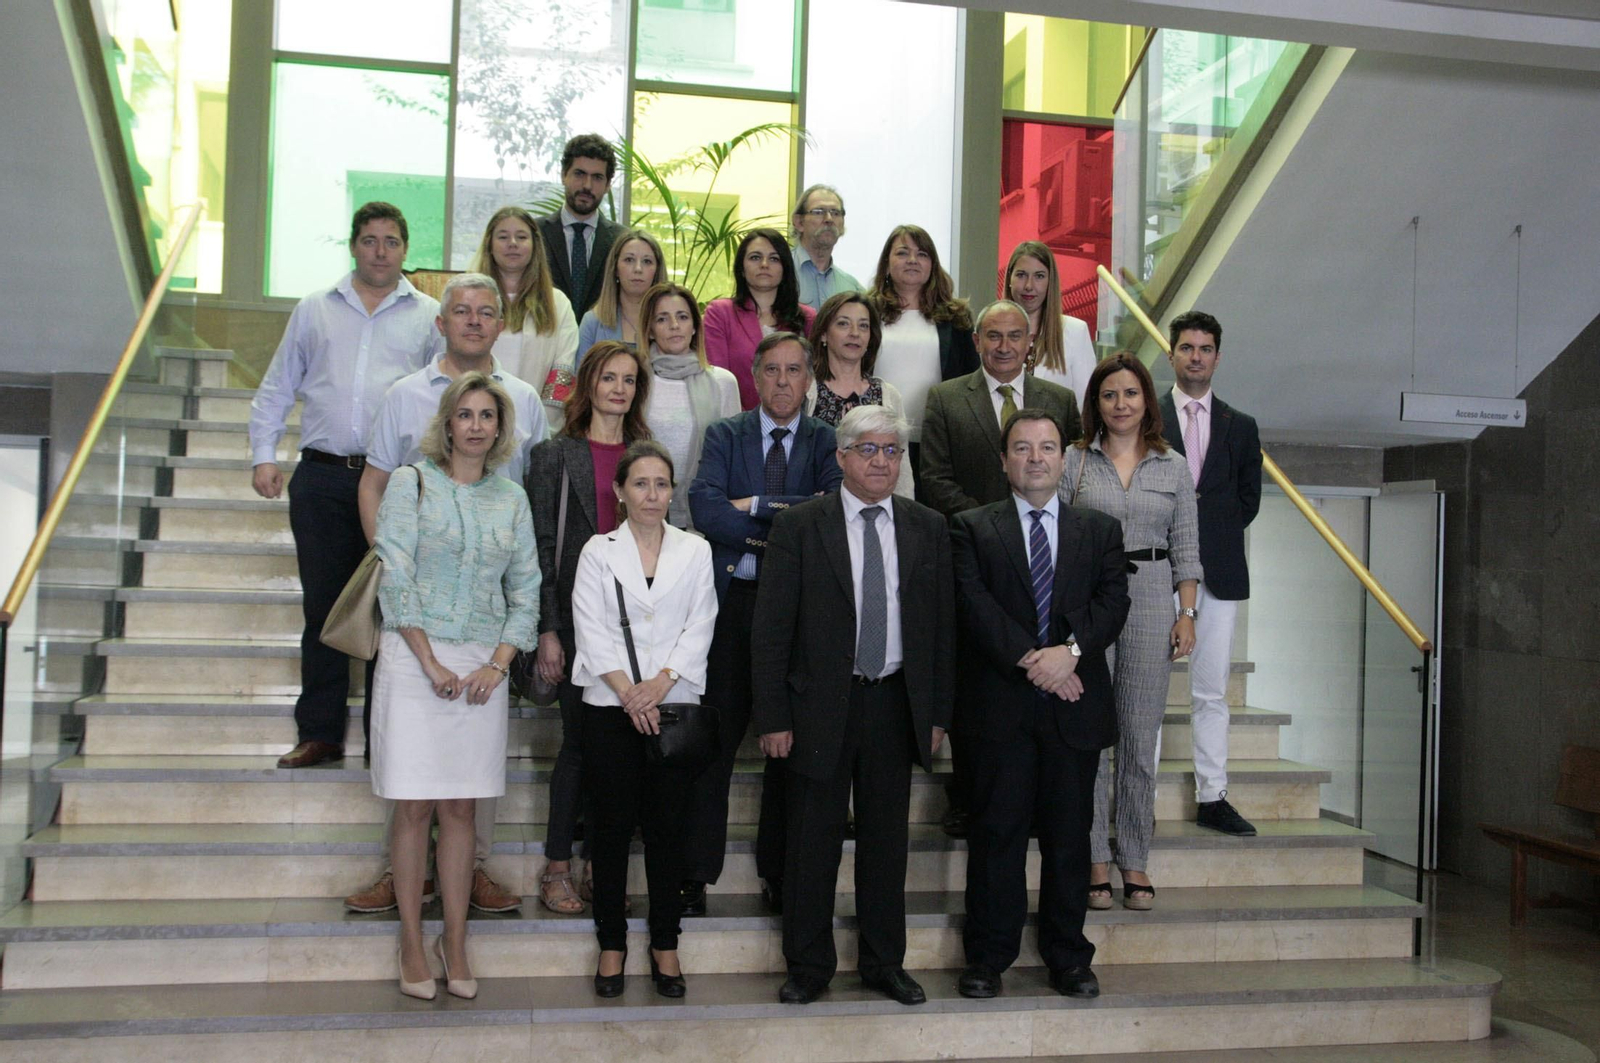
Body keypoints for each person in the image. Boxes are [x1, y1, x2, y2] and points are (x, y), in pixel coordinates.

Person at [344, 273, 547, 917]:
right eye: (461, 310)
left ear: (501, 323)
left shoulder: (523, 400)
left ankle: (474, 868)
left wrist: (506, 643)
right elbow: (375, 485)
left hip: (485, 618)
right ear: (443, 320)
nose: (473, 321)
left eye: (487, 312)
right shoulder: (406, 397)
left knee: (468, 786)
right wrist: (397, 562)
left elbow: (524, 514)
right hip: (419, 616)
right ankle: (400, 874)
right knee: (410, 777)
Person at [752, 405, 955, 1007]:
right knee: (810, 841)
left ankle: (883, 963)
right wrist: (773, 718)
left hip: (893, 704)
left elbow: (941, 628)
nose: (881, 461)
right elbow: (770, 631)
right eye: (868, 449)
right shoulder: (801, 526)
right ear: (840, 457)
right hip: (817, 707)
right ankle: (809, 965)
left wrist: (938, 711)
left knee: (887, 846)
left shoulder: (927, 526)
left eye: (892, 450)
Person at [249, 201, 442, 771]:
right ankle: (321, 734)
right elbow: (278, 387)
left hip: (398, 485)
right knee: (326, 610)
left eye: (391, 241)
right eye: (369, 240)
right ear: (353, 245)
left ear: (405, 250)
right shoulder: (314, 310)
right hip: (323, 477)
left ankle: (387, 735)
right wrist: (265, 456)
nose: (379, 251)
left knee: (396, 606)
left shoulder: (429, 315)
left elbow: (441, 399)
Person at [370, 371, 540, 1000]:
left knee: (463, 807)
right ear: (447, 423)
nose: (475, 425)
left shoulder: (512, 499)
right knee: (414, 804)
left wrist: (496, 665)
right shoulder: (412, 482)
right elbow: (395, 574)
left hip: (481, 668)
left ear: (500, 428)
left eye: (487, 416)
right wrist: (431, 663)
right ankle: (413, 941)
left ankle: (457, 940)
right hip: (414, 657)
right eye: (464, 414)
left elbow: (526, 593)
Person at [951, 409, 1130, 1002]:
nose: (1035, 458)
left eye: (1047, 447)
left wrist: (1070, 652)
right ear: (1003, 462)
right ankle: (987, 958)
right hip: (998, 709)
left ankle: (1069, 956)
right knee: (996, 836)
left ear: (1064, 459)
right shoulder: (972, 527)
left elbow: (1113, 603)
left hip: (1073, 713)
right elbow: (974, 607)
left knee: (1068, 839)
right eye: (1022, 448)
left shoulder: (1099, 530)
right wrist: (1040, 662)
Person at [684, 332, 843, 917]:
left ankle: (783, 873)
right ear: (754, 375)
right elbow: (703, 507)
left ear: (810, 380)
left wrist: (749, 507)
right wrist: (778, 535)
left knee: (789, 751)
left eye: (794, 370)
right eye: (772, 370)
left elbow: (828, 511)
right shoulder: (726, 434)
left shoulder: (829, 440)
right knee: (714, 747)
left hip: (800, 617)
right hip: (733, 607)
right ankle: (696, 874)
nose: (782, 381)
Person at [920, 299, 1081, 837]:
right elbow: (934, 477)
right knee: (978, 684)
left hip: (1046, 562)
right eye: (993, 336)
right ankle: (969, 796)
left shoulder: (1058, 399)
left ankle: (1039, 795)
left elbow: (1071, 469)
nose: (1005, 345)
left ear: (1029, 340)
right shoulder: (945, 398)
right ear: (978, 341)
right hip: (976, 559)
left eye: (1015, 335)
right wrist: (994, 526)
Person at [571, 441, 718, 999]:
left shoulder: (695, 550)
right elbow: (591, 628)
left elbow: (702, 623)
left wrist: (661, 683)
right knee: (609, 831)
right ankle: (611, 942)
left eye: (661, 484)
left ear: (671, 491)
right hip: (610, 709)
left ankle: (665, 943)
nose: (651, 494)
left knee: (667, 830)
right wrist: (630, 692)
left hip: (674, 704)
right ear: (620, 491)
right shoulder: (597, 551)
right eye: (640, 484)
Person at [1069, 353, 1202, 912]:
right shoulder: (1075, 462)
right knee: (1094, 738)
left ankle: (1135, 857)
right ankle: (1095, 857)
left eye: (1130, 394)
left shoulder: (1172, 466)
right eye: (1109, 395)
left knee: (1139, 739)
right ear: (1095, 404)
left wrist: (1187, 612)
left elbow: (1187, 548)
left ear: (1147, 400)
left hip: (1150, 598)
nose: (1120, 404)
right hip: (1092, 602)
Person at [524, 341, 653, 915]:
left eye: (629, 379)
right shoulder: (556, 455)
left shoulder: (646, 456)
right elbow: (540, 552)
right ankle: (556, 868)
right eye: (608, 377)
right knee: (578, 748)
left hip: (634, 627)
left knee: (623, 753)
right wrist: (547, 630)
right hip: (576, 627)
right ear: (589, 385)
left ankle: (605, 866)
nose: (619, 388)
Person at [1159, 311, 1262, 838]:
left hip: (1219, 572)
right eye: (1186, 347)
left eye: (1205, 348)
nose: (1195, 356)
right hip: (1154, 570)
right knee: (1145, 690)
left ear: (1217, 356)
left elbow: (1248, 501)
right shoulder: (1147, 416)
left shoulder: (1240, 426)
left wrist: (1204, 537)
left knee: (1210, 692)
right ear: (1171, 354)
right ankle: (1137, 793)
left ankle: (1212, 796)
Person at [867, 224, 978, 492]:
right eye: (903, 253)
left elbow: (970, 378)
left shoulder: (956, 317)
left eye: (922, 254)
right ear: (887, 262)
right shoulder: (867, 312)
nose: (913, 260)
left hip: (936, 440)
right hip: (876, 436)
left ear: (933, 264)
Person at [639, 282, 741, 529]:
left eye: (682, 317)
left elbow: (735, 457)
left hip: (704, 517)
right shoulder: (637, 381)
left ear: (695, 326)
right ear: (650, 330)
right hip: (643, 511)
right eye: (662, 319)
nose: (674, 325)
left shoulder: (723, 382)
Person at [470, 206, 579, 430]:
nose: (512, 243)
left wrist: (539, 428)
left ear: (534, 245)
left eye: (521, 237)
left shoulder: (558, 304)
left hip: (536, 429)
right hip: (475, 427)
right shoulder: (471, 299)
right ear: (490, 245)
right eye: (503, 237)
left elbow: (562, 372)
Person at [803, 292, 912, 498]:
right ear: (824, 334)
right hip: (816, 508)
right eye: (843, 324)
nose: (855, 333)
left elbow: (902, 469)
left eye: (863, 326)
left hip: (876, 508)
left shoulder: (888, 395)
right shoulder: (806, 390)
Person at [703, 227, 817, 411]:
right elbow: (719, 382)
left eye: (774, 258)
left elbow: (812, 383)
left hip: (794, 425)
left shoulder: (807, 317)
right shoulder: (720, 313)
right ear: (741, 267)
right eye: (755, 257)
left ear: (785, 268)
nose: (764, 264)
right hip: (736, 425)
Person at [537, 134, 624, 316]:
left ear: (608, 185)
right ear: (563, 175)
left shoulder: (622, 242)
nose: (587, 185)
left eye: (598, 177)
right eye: (579, 174)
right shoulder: (534, 234)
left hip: (603, 342)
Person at [1003, 240, 1097, 402]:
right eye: (1021, 275)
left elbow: (1085, 405)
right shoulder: (989, 332)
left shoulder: (1075, 332)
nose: (1028, 286)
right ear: (1009, 280)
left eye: (1039, 276)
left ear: (1050, 282)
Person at [576, 228, 665, 357]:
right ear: (615, 268)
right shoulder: (592, 323)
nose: (638, 269)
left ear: (657, 270)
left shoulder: (671, 323)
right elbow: (581, 375)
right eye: (629, 260)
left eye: (647, 261)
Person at [791, 184, 861, 311]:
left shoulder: (852, 288)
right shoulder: (778, 272)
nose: (829, 219)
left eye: (835, 213)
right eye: (818, 212)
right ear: (799, 222)